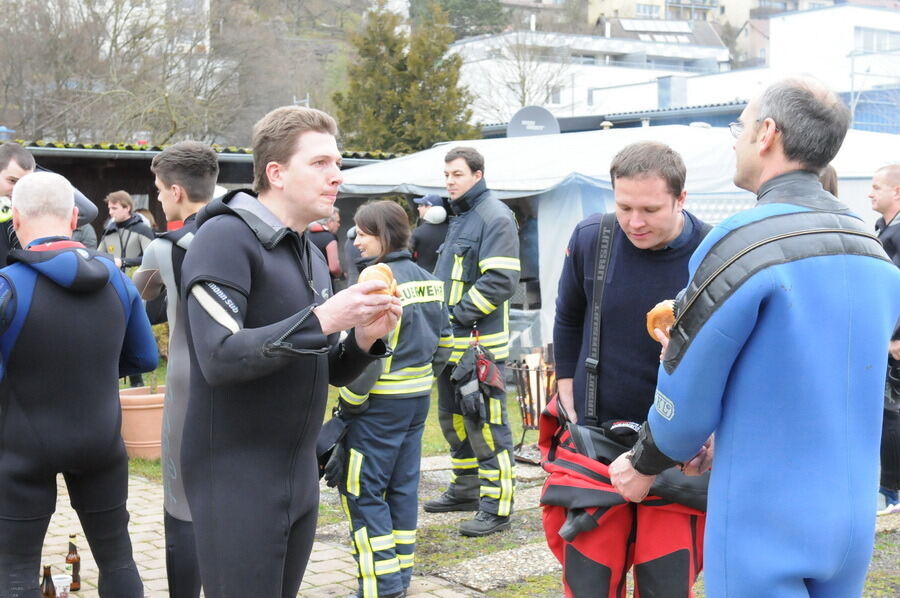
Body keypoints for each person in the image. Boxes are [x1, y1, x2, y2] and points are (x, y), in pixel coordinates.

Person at [610, 77, 900, 597]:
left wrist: (643, 461)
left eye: (738, 126)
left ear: (766, 133)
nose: (736, 138)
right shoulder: (869, 245)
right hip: (853, 510)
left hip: (764, 513)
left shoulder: (742, 242)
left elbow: (687, 388)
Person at [180, 106, 401, 598]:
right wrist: (325, 319)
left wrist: (365, 338)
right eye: (320, 163)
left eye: (337, 163)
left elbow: (322, 365)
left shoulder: (305, 250)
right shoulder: (223, 238)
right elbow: (219, 357)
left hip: (298, 470)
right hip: (236, 476)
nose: (337, 175)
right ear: (275, 173)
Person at [551, 141, 711, 595]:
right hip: (595, 441)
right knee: (588, 582)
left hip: (678, 447)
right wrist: (566, 385)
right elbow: (568, 316)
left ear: (681, 199)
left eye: (649, 209)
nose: (634, 222)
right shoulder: (591, 238)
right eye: (624, 206)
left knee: (666, 584)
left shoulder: (715, 251)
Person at [0, 171, 158, 597]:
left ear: (15, 219)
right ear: (74, 218)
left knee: (14, 571)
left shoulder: (6, 288)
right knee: (117, 559)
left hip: (19, 450)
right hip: (100, 441)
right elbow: (144, 358)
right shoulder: (117, 280)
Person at [333, 200, 452, 598]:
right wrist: (420, 379)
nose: (356, 240)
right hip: (417, 403)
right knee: (402, 488)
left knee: (363, 492)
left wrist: (346, 406)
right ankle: (398, 579)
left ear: (382, 235)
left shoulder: (376, 279)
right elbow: (446, 344)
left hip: (377, 407)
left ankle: (379, 588)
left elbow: (370, 356)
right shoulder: (430, 279)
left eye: (362, 233)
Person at [132, 141, 219, 598]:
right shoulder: (250, 231)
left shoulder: (165, 247)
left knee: (182, 505)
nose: (159, 198)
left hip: (188, 385)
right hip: (243, 384)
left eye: (159, 190)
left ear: (177, 191)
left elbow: (136, 301)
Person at [426, 146, 520, 537]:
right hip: (452, 349)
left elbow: (500, 281)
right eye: (446, 174)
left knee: (485, 425)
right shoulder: (461, 217)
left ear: (478, 175)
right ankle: (466, 489)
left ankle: (497, 506)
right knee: (454, 423)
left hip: (478, 349)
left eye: (457, 174)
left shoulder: (494, 216)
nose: (449, 181)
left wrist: (452, 316)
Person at [0, 142, 99, 265]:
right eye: (12, 181)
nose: (19, 189)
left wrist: (39, 175)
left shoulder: (29, 214)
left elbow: (88, 212)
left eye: (26, 182)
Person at [870, 163, 900, 515]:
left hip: (894, 341)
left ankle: (891, 490)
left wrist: (895, 336)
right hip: (883, 336)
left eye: (877, 187)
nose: (870, 192)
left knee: (891, 412)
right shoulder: (882, 228)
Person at [100, 190, 154, 270]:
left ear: (127, 208)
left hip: (136, 281)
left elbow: (152, 258)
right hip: (113, 280)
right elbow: (99, 257)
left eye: (114, 208)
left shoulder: (143, 230)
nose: (110, 212)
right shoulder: (108, 232)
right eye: (109, 208)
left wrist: (123, 262)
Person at [409, 193, 447, 273]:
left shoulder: (417, 232)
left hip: (423, 277)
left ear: (429, 207)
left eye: (420, 205)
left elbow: (408, 257)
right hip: (446, 276)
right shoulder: (452, 230)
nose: (418, 208)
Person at [308, 207, 344, 281]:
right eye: (337, 221)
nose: (338, 225)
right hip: (324, 282)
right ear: (330, 222)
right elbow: (334, 268)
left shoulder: (306, 236)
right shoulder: (329, 238)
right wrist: (341, 275)